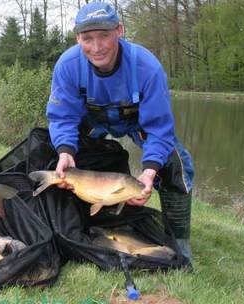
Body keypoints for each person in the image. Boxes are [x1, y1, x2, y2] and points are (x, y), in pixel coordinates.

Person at [46, 1, 194, 266]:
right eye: (87, 38)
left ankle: (179, 240)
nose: (97, 46)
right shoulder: (67, 65)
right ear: (77, 38)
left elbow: (159, 128)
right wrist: (65, 150)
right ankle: (71, 224)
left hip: (137, 122)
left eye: (104, 35)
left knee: (174, 163)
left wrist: (149, 171)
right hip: (92, 121)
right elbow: (63, 117)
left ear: (120, 31)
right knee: (54, 155)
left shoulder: (147, 67)